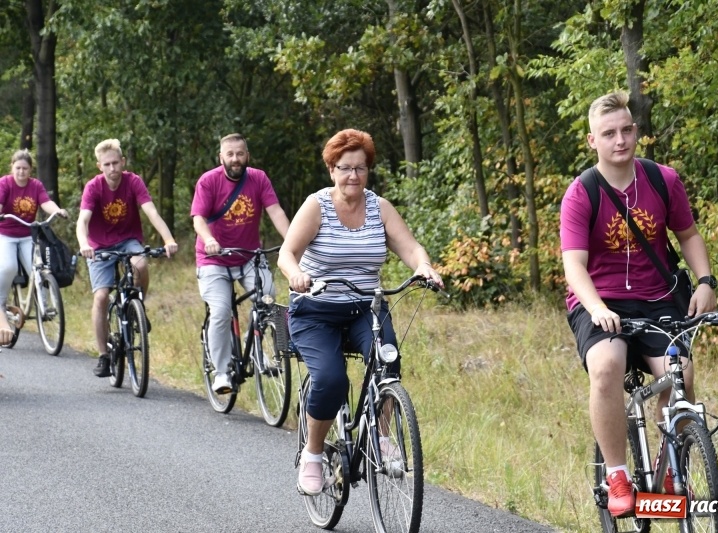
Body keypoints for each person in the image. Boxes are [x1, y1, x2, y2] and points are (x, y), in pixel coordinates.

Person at [560, 91, 717, 517]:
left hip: (660, 300)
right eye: (608, 133)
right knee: (607, 365)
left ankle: (673, 468)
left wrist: (705, 281)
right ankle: (617, 476)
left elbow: (688, 235)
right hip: (600, 300)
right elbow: (574, 266)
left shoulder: (663, 180)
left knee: (680, 373)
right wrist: (596, 308)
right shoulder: (580, 194)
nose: (620, 140)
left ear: (635, 131)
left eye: (626, 130)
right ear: (593, 141)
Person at [277, 128, 443, 496]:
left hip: (365, 309)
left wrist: (424, 267)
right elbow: (286, 254)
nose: (353, 176)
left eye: (361, 168)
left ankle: (383, 439)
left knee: (389, 362)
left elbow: (410, 247)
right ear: (331, 170)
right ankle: (314, 454)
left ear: (368, 170)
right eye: (345, 168)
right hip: (315, 310)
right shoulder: (316, 206)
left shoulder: (379, 207)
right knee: (332, 380)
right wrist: (297, 274)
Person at [191, 133, 290, 394]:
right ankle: (221, 372)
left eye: (240, 153)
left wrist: (292, 242)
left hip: (248, 255)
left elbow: (276, 211)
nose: (235, 159)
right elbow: (198, 219)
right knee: (222, 311)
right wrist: (209, 239)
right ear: (221, 157)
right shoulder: (208, 181)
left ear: (247, 155)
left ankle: (254, 345)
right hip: (213, 258)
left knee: (268, 297)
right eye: (230, 154)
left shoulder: (258, 178)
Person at [76, 139, 178, 377]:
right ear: (99, 166)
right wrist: (83, 244)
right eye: (107, 164)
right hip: (99, 245)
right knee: (101, 297)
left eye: (115, 163)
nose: (112, 168)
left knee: (141, 263)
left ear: (123, 162)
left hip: (128, 240)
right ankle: (103, 355)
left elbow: (151, 211)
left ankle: (137, 307)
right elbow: (83, 221)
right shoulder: (93, 187)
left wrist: (168, 239)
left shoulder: (133, 182)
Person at [0, 150, 69, 345]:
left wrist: (57, 211)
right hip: (5, 234)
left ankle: (44, 306)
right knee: (8, 267)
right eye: (18, 168)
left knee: (38, 269)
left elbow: (45, 202)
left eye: (25, 168)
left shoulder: (35, 185)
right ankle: (1, 302)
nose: (21, 172)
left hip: (27, 234)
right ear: (12, 167)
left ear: (31, 170)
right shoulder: (5, 183)